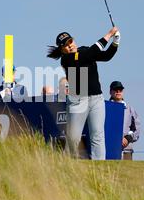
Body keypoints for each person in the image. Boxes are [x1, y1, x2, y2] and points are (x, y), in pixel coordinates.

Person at [46, 26, 120, 160]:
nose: (69, 46)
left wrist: (115, 43)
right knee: (73, 137)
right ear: (62, 49)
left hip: (96, 98)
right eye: (65, 45)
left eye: (70, 42)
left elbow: (106, 56)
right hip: (78, 99)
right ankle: (68, 163)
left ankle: (99, 167)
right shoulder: (66, 59)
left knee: (97, 134)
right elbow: (89, 54)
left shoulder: (86, 50)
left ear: (73, 40)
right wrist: (109, 34)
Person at [109, 81, 140, 160]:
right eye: (115, 90)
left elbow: (136, 129)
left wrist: (128, 138)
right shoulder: (105, 108)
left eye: (120, 90)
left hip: (126, 149)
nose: (118, 92)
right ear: (110, 92)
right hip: (109, 148)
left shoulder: (130, 109)